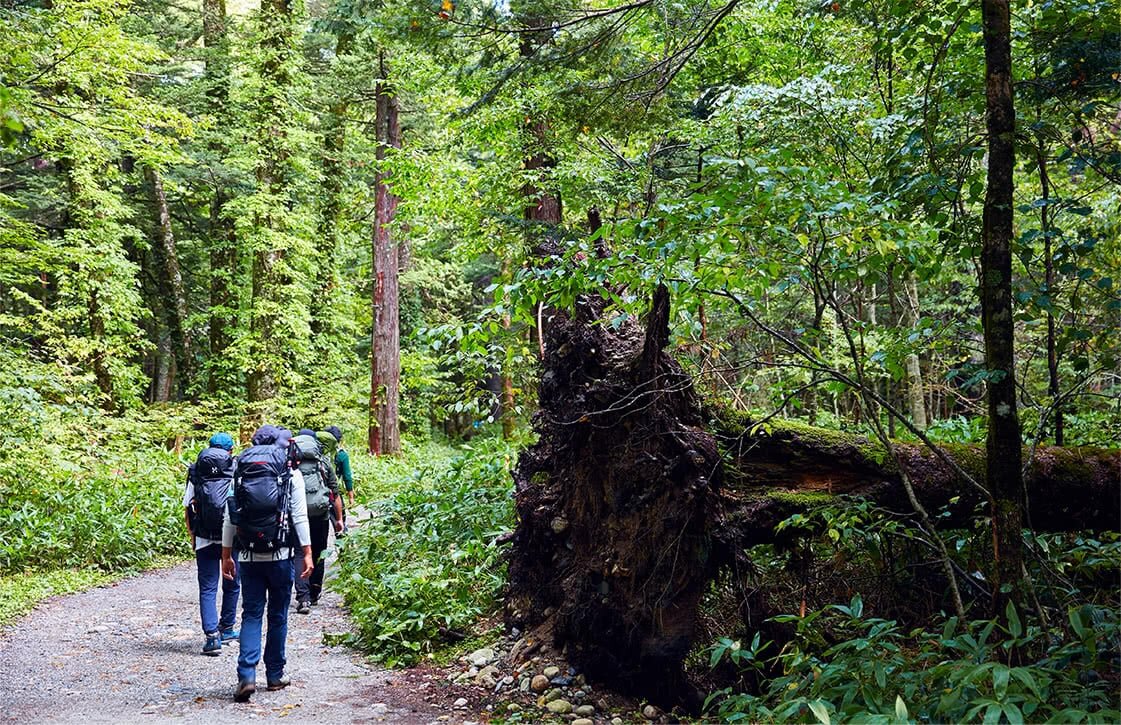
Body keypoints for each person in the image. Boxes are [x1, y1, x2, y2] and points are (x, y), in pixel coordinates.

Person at [221, 424, 314, 703]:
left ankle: (246, 675)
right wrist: (307, 553)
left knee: (251, 614)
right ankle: (274, 675)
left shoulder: (239, 469)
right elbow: (299, 516)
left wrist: (226, 555)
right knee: (277, 615)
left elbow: (230, 515)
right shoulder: (289, 471)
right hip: (282, 556)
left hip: (249, 556)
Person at [184, 432, 240, 656]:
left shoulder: (197, 469)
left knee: (208, 587)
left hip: (204, 536)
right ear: (230, 451)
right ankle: (227, 629)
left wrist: (192, 535)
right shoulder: (235, 468)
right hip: (232, 536)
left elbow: (188, 505)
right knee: (233, 582)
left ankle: (212, 637)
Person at [292, 433, 344, 614]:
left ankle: (303, 598)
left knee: (300, 553)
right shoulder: (322, 463)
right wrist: (339, 519)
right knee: (319, 552)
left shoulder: (291, 464)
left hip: (298, 516)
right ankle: (314, 592)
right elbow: (334, 493)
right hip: (320, 515)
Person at [324, 425, 354, 506]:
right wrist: (351, 497)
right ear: (339, 440)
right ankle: (340, 518)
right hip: (333, 491)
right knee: (339, 515)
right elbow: (347, 476)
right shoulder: (342, 455)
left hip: (316, 490)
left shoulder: (317, 451)